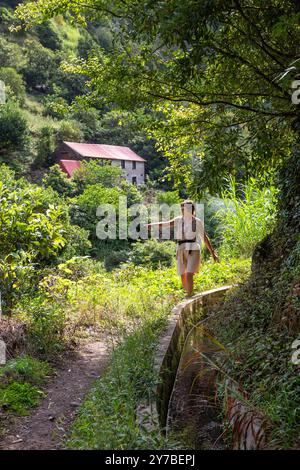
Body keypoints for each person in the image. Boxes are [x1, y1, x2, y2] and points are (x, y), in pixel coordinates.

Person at [146, 200, 219, 296]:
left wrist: (212, 253)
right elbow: (165, 224)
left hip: (193, 248)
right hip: (181, 248)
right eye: (182, 207)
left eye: (185, 207)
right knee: (182, 274)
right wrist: (152, 225)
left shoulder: (197, 222)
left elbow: (204, 238)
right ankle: (188, 293)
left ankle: (189, 295)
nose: (183, 209)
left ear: (191, 209)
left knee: (189, 274)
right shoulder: (178, 219)